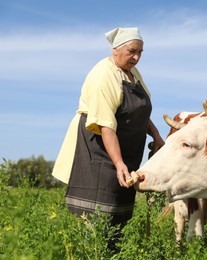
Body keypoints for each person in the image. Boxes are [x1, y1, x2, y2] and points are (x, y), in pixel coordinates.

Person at [52, 27, 164, 249]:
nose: (137, 57)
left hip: (123, 149)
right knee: (96, 214)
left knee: (117, 215)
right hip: (98, 148)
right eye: (132, 51)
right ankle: (91, 252)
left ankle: (112, 252)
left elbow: (140, 112)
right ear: (116, 50)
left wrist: (158, 137)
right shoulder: (103, 74)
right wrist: (118, 162)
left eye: (140, 52)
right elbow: (105, 124)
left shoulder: (133, 75)